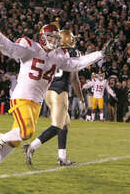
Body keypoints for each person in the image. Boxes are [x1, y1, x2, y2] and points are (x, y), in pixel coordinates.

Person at [0, 17, 115, 181]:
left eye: (56, 38)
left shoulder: (57, 55)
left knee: (16, 140)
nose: (54, 40)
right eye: (51, 36)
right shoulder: (30, 47)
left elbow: (77, 63)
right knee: (26, 132)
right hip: (22, 96)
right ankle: (0, 138)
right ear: (43, 36)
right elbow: (10, 49)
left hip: (36, 101)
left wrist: (100, 54)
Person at [22, 29, 87, 166]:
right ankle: (31, 147)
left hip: (48, 91)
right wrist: (81, 99)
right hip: (59, 92)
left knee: (65, 123)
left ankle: (62, 157)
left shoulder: (53, 52)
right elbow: (74, 79)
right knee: (57, 126)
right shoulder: (71, 53)